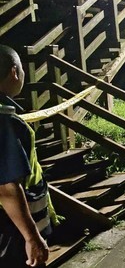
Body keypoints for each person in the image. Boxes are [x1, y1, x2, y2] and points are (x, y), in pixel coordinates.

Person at [0, 44, 57, 267]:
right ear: (14, 71)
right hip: (10, 229)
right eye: (22, 69)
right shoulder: (5, 120)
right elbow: (6, 186)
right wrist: (31, 237)